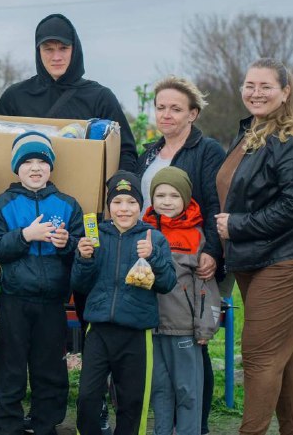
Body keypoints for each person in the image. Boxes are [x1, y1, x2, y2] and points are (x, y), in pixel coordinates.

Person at [215, 58, 293, 434]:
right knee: (284, 355)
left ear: (285, 92)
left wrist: (237, 226)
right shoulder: (252, 130)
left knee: (261, 356)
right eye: (250, 85)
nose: (256, 92)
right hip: (259, 255)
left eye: (266, 86)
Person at [135, 76, 225, 434]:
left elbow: (215, 202)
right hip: (152, 257)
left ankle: (195, 426)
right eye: (160, 107)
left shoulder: (207, 151)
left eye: (175, 108)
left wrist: (214, 252)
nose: (166, 115)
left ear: (193, 114)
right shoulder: (148, 153)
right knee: (159, 352)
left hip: (193, 256)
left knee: (193, 347)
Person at [0, 131, 85, 435]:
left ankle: (46, 424)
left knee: (50, 369)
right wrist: (26, 236)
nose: (35, 167)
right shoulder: (3, 203)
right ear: (17, 167)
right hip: (14, 298)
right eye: (27, 161)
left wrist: (68, 243)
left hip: (52, 301)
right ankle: (7, 425)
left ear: (50, 167)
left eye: (41, 161)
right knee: (10, 367)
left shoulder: (68, 205)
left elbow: (83, 250)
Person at [72, 171, 176, 435]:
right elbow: (79, 285)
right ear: (109, 207)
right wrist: (84, 259)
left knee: (131, 402)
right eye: (117, 202)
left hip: (136, 333)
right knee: (87, 397)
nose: (124, 209)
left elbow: (167, 284)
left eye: (131, 202)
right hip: (98, 331)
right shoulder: (96, 236)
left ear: (141, 206)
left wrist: (153, 258)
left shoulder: (153, 238)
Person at [0, 13, 137, 172]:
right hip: (23, 195)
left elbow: (125, 153)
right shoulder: (15, 96)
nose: (56, 57)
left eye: (63, 48)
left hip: (86, 194)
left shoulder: (100, 97)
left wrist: (121, 188)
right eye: (48, 49)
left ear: (75, 49)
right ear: (38, 51)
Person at [142, 167, 221, 435]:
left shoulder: (197, 236)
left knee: (188, 391)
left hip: (184, 329)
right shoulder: (143, 231)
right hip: (151, 327)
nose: (166, 201)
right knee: (160, 391)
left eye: (174, 195)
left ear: (186, 198)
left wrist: (205, 327)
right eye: (160, 195)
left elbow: (206, 288)